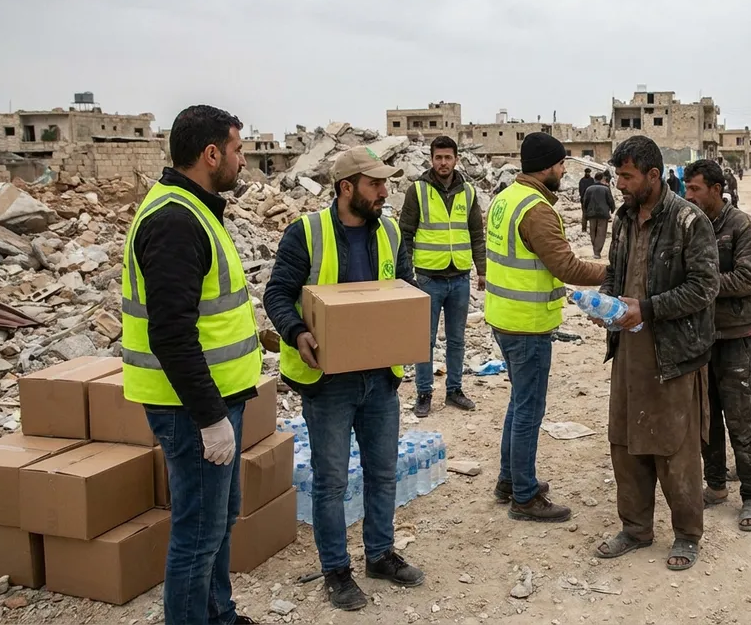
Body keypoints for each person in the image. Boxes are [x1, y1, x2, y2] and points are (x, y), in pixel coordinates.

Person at [264, 147, 422, 610]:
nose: (384, 192)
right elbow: (278, 293)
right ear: (346, 187)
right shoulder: (306, 234)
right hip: (328, 381)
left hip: (380, 377)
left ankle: (379, 555)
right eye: (375, 184)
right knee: (331, 481)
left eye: (385, 184)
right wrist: (296, 332)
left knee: (383, 474)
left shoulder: (390, 231)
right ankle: (336, 570)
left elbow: (404, 289)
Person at [122, 105, 260, 625]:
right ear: (211, 154)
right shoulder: (176, 221)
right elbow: (171, 333)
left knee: (217, 522)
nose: (243, 161)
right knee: (197, 536)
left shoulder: (194, 209)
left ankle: (218, 615)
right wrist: (209, 419)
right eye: (238, 150)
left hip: (212, 401)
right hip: (192, 409)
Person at [594, 136, 719, 571]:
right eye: (618, 176)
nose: (620, 185)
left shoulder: (690, 221)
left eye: (627, 177)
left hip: (672, 354)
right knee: (626, 442)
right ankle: (635, 529)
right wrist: (607, 304)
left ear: (652, 175)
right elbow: (615, 272)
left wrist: (646, 308)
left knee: (674, 448)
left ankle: (687, 533)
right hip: (628, 352)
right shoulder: (623, 218)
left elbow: (705, 288)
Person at [486, 132, 607, 521]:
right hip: (527, 325)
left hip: (504, 318)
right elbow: (566, 267)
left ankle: (510, 481)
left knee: (518, 403)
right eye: (560, 165)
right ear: (548, 167)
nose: (563, 171)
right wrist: (612, 271)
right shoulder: (536, 210)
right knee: (528, 410)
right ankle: (524, 495)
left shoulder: (505, 199)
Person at [682, 159, 751, 531]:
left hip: (735, 337)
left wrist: (703, 283)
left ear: (716, 189)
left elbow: (748, 278)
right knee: (706, 419)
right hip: (700, 337)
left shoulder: (742, 225)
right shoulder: (689, 225)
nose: (689, 196)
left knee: (740, 419)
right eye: (687, 189)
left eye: (695, 189)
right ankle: (715, 485)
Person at [399, 136, 484, 417]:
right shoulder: (418, 191)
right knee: (424, 340)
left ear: (456, 159)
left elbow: (476, 235)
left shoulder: (468, 192)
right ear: (431, 159)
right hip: (427, 278)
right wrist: (405, 275)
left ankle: (454, 390)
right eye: (439, 158)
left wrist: (482, 270)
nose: (443, 163)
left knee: (457, 339)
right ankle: (424, 393)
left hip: (460, 277)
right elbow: (405, 234)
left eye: (448, 157)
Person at [582, 172, 616, 259]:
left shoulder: (589, 189)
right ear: (602, 179)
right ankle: (597, 252)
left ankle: (595, 249)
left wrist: (585, 212)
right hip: (603, 214)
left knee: (593, 232)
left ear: (594, 179)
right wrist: (612, 209)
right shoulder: (606, 189)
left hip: (592, 214)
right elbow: (610, 200)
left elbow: (585, 201)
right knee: (601, 233)